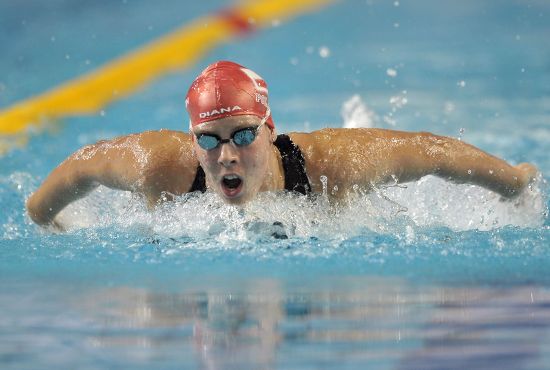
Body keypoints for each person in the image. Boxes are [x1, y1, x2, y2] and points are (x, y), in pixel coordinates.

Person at [26, 61, 538, 228]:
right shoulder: (159, 166)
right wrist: (42, 217)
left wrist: (515, 182)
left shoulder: (332, 165)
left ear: (270, 130)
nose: (226, 154)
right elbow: (80, 167)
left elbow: (434, 152)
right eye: (210, 140)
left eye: (244, 135)